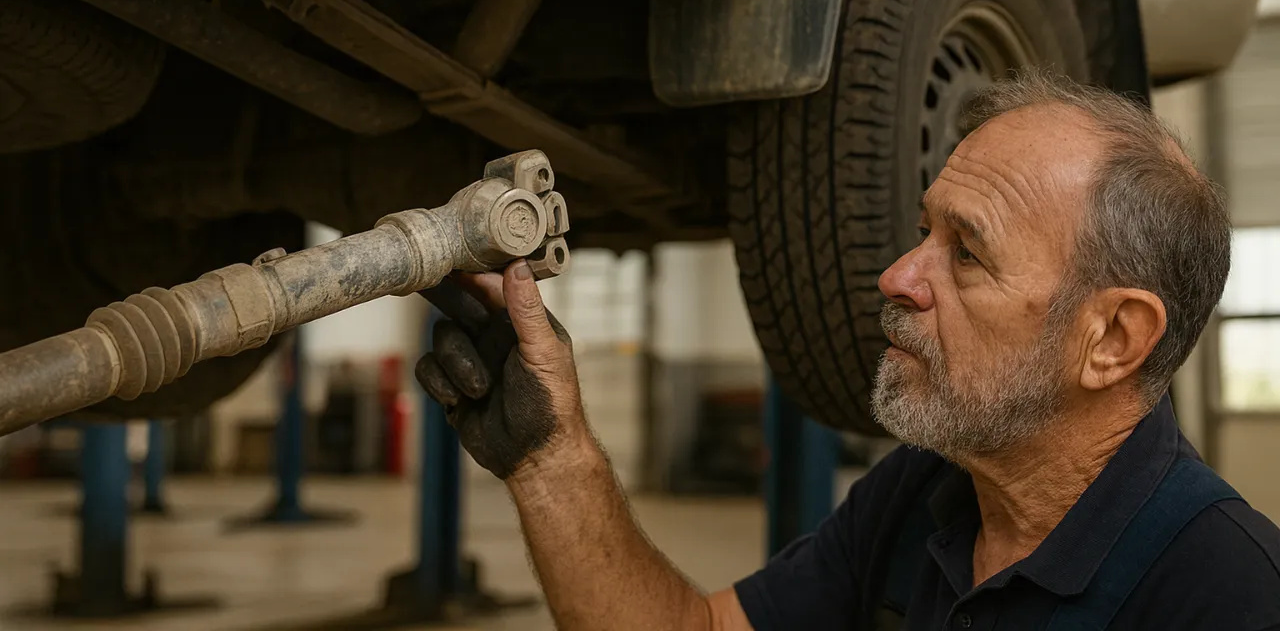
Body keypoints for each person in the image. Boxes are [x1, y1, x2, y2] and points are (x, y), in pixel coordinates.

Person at [414, 71, 1280, 630]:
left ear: (1113, 339)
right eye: (919, 232)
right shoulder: (926, 496)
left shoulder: (1229, 594)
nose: (898, 276)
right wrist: (552, 458)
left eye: (966, 253)